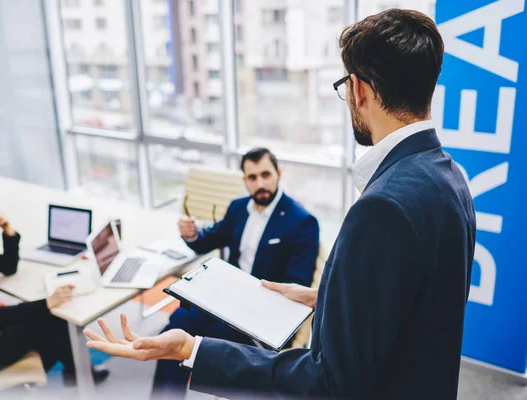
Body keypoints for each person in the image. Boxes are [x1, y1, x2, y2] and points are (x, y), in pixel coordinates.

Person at [84, 9, 477, 400]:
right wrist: (326, 297)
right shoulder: (450, 178)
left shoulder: (383, 207)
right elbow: (414, 305)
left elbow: (331, 381)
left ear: (359, 89)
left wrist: (192, 350)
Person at [152, 147, 320, 398]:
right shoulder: (238, 208)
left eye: (266, 174)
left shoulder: (302, 222)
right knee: (171, 332)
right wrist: (193, 234)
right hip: (223, 300)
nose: (260, 183)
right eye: (252, 178)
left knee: (203, 345)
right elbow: (209, 239)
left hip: (259, 314)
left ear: (278, 173)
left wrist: (252, 300)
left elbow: (298, 284)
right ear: (245, 180)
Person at [0, 177, 109, 388]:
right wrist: (47, 303)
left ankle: (74, 373)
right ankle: (76, 375)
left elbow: (7, 266)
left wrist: (8, 230)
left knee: (49, 318)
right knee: (56, 321)